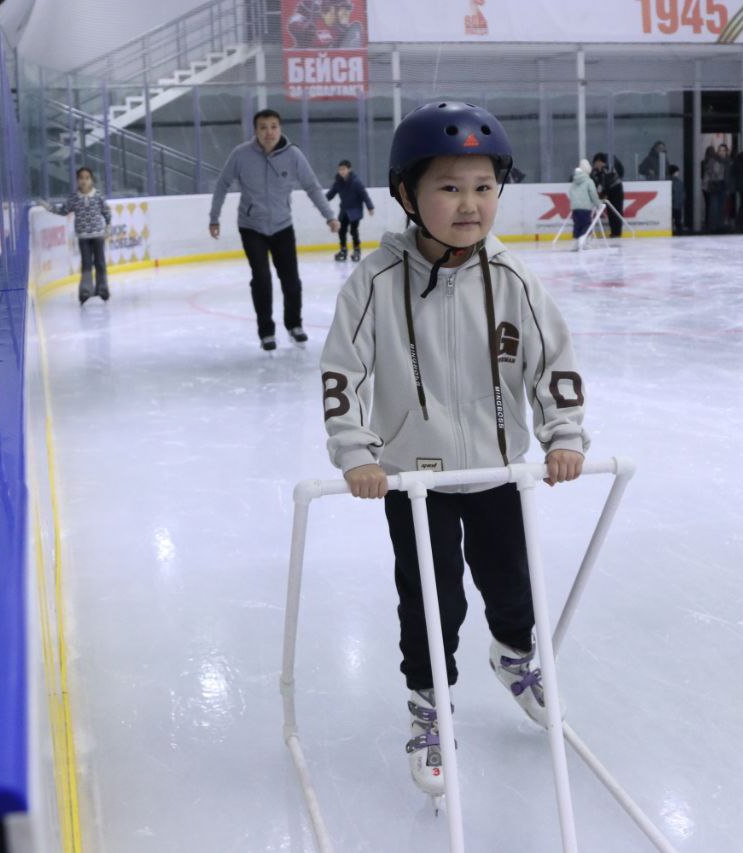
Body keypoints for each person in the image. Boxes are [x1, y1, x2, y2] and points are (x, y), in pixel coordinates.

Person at [320, 101, 588, 800]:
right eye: (448, 187)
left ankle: (514, 655)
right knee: (430, 603)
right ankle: (429, 704)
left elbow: (552, 361)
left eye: (483, 186)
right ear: (408, 194)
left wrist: (563, 433)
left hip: (498, 472)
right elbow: (342, 374)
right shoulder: (374, 283)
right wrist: (356, 453)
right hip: (415, 481)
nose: (469, 204)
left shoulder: (513, 280)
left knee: (512, 588)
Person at [209, 108, 338, 351]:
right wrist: (214, 218)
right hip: (251, 227)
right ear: (255, 131)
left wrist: (329, 216)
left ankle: (294, 325)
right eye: (263, 127)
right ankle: (266, 332)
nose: (269, 132)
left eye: (273, 126)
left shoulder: (294, 156)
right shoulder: (241, 155)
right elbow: (222, 185)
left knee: (291, 281)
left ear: (280, 128)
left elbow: (311, 186)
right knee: (261, 279)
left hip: (282, 226)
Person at [43, 167, 112, 304]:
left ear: (91, 180)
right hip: (83, 237)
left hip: (98, 235)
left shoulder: (97, 195)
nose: (84, 181)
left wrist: (108, 225)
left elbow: (106, 211)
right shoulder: (74, 198)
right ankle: (86, 290)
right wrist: (49, 207)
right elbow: (64, 210)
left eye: (87, 178)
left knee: (100, 263)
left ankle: (102, 288)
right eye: (81, 178)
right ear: (77, 180)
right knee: (86, 264)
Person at [326, 159, 375, 262]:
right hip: (344, 211)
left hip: (355, 211)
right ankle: (343, 250)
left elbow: (364, 195)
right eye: (340, 169)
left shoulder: (356, 182)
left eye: (343, 169)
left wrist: (370, 207)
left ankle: (357, 250)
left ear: (349, 169)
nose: (341, 172)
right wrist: (322, 201)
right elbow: (331, 194)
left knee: (353, 231)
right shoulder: (338, 182)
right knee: (341, 231)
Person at [590, 152, 624, 238]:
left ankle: (617, 232)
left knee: (616, 211)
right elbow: (596, 183)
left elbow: (607, 183)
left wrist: (602, 194)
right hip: (608, 193)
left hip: (616, 191)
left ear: (600, 161)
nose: (595, 165)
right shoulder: (595, 172)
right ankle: (613, 231)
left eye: (596, 163)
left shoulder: (609, 169)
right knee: (610, 212)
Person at [569, 159, 601, 249]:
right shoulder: (589, 181)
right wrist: (598, 204)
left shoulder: (574, 181)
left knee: (577, 225)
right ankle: (583, 241)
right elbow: (593, 194)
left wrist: (575, 202)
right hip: (585, 207)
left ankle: (575, 244)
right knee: (587, 225)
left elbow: (570, 192)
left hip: (575, 208)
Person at [701, 145, 727, 233]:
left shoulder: (726, 161)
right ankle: (713, 226)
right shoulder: (715, 161)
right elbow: (715, 174)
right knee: (714, 206)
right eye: (720, 150)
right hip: (715, 185)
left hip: (721, 186)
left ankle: (719, 225)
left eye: (723, 150)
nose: (722, 152)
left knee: (720, 206)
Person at [669, 165, 685, 235]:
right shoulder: (678, 182)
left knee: (673, 220)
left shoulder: (669, 181)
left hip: (673, 204)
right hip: (677, 205)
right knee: (677, 220)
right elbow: (682, 194)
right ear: (675, 172)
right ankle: (679, 232)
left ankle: (678, 231)